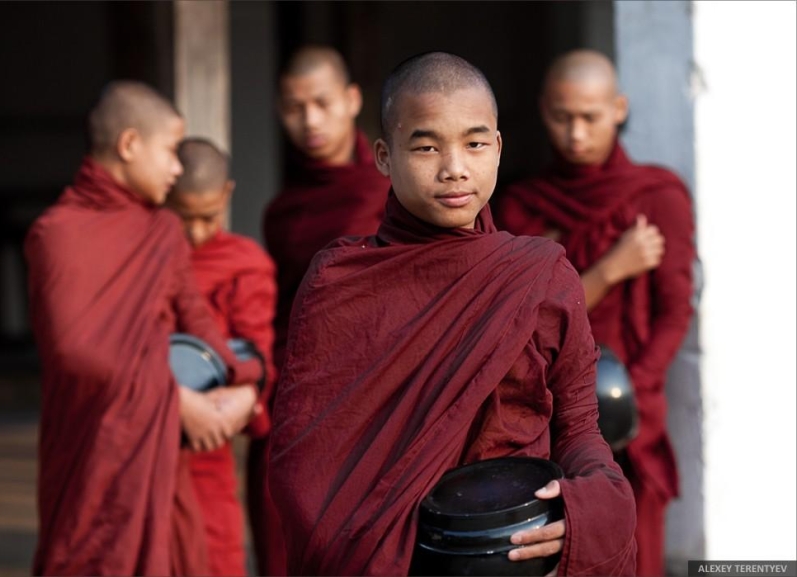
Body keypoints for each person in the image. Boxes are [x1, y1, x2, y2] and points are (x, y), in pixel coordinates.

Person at [268, 51, 637, 576]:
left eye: (475, 143)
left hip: (516, 555)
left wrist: (587, 508)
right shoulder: (339, 281)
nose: (454, 168)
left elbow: (579, 429)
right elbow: (305, 465)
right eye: (425, 146)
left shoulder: (540, 275)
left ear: (499, 148)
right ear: (383, 156)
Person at [25, 81, 263, 576]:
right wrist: (179, 402)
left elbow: (196, 318)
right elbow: (75, 353)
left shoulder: (161, 231)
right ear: (129, 145)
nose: (178, 168)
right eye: (171, 151)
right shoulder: (57, 233)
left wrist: (247, 378)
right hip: (94, 451)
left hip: (155, 457)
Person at [495, 49, 696, 577]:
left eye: (590, 116)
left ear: (619, 108)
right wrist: (609, 270)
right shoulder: (523, 206)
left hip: (630, 411)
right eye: (563, 117)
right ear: (543, 111)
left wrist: (640, 387)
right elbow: (529, 324)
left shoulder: (657, 196)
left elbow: (675, 311)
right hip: (547, 408)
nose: (576, 133)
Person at [257, 44, 390, 575]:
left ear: (352, 100)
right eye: (294, 107)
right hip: (292, 392)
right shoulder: (282, 210)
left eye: (322, 103)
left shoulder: (389, 190)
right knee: (282, 542)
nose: (309, 120)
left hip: (370, 394)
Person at [166, 138, 278, 577]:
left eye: (207, 217)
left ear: (228, 194)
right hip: (139, 442)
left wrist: (239, 402)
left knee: (215, 557)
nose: (195, 233)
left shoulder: (243, 263)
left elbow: (254, 352)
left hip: (205, 444)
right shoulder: (143, 257)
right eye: (182, 217)